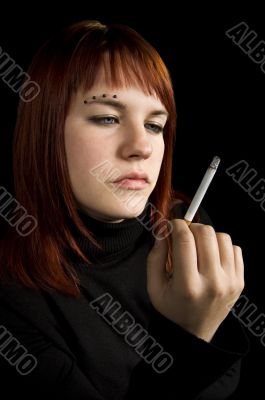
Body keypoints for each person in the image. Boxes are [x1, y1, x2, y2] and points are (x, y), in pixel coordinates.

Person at [0, 19, 249, 399]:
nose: (142, 147)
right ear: (45, 132)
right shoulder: (12, 300)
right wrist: (189, 337)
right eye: (107, 118)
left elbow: (226, 382)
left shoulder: (183, 223)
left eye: (154, 125)